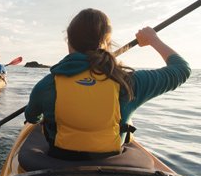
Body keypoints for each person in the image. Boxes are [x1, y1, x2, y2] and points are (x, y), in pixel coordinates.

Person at [24, 8, 191, 161]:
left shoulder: (47, 85)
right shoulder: (129, 82)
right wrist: (153, 40)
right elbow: (182, 69)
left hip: (59, 161)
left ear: (69, 42)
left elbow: (31, 117)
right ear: (107, 43)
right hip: (112, 161)